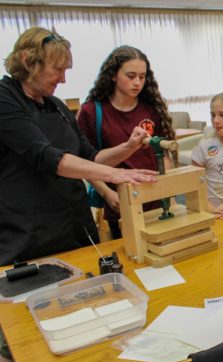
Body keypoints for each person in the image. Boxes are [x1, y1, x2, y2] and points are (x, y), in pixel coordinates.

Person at [0, 27, 157, 362]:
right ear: (28, 61)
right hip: (26, 232)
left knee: (77, 312)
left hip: (71, 227)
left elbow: (89, 157)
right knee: (19, 329)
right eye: (57, 69)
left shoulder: (55, 106)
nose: (64, 78)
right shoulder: (4, 100)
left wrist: (126, 148)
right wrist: (114, 175)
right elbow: (45, 157)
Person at [78, 45, 175, 239]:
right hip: (119, 202)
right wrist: (106, 193)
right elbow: (85, 163)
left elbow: (163, 155)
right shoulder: (91, 111)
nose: (137, 82)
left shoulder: (152, 108)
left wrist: (170, 193)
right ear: (113, 75)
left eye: (142, 76)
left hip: (156, 199)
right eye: (130, 76)